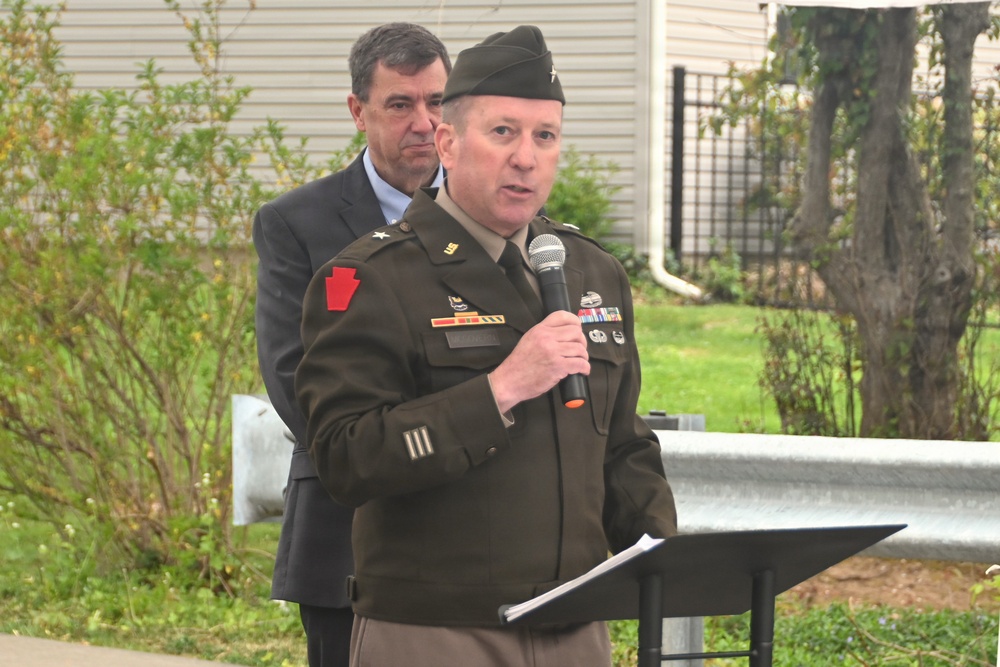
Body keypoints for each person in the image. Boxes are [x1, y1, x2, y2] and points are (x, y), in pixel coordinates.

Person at [296, 25, 677, 667]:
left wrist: (666, 558)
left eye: (544, 136)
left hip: (576, 625)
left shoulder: (592, 271)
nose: (526, 158)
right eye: (503, 132)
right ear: (447, 141)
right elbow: (344, 457)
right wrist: (502, 388)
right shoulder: (370, 277)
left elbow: (621, 444)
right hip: (436, 631)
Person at [252, 23, 450, 667]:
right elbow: (295, 379)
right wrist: (426, 442)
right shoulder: (296, 225)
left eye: (437, 101)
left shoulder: (499, 219)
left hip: (479, 536)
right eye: (400, 104)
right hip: (349, 530)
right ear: (358, 111)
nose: (423, 122)